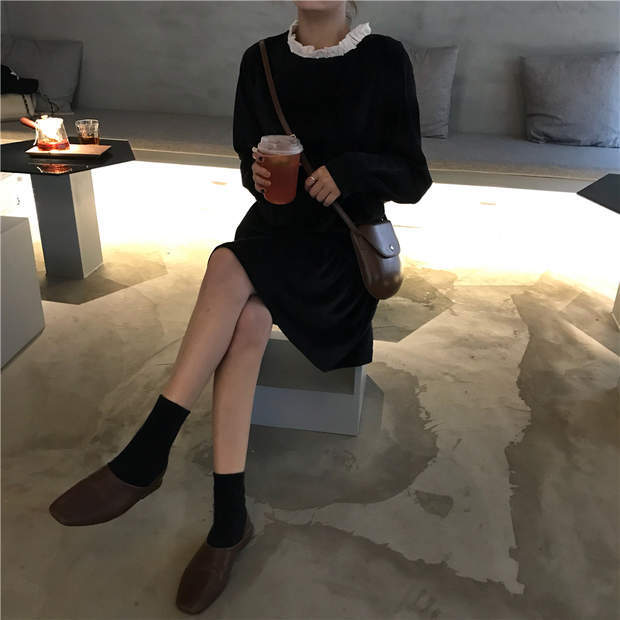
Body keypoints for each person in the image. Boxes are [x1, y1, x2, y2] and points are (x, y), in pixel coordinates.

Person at [47, 0, 433, 614]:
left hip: (340, 248)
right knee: (247, 317)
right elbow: (248, 165)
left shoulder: (383, 58)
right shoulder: (261, 59)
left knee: (227, 266)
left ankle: (148, 454)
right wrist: (260, 174)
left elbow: (414, 176)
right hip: (273, 232)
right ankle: (229, 523)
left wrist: (349, 171)